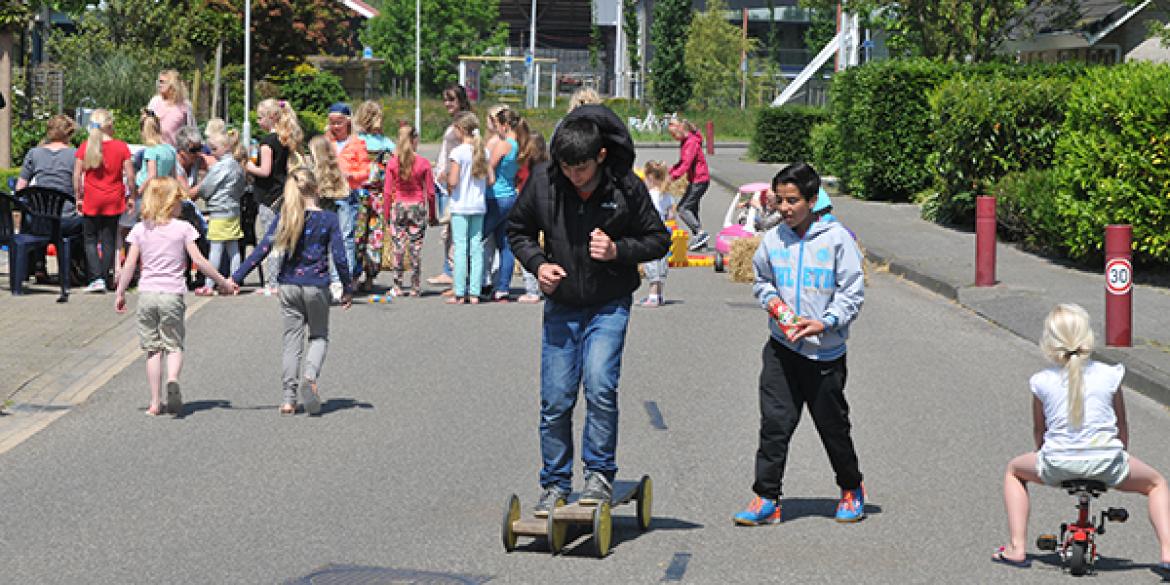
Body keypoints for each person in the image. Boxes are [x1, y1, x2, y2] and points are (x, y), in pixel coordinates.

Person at [507, 104, 670, 514]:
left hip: (608, 303)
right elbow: (518, 230)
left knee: (599, 386)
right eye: (565, 167)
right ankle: (556, 484)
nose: (572, 176)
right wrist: (538, 265)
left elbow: (658, 239)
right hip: (562, 305)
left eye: (580, 168)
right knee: (556, 399)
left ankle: (598, 476)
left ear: (599, 157)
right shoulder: (545, 182)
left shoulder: (625, 188)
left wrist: (618, 250)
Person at [734, 162, 866, 526]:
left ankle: (852, 488)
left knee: (833, 427)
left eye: (793, 201)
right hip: (782, 348)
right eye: (780, 201)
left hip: (825, 353)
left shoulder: (838, 240)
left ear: (811, 199)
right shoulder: (774, 239)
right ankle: (766, 497)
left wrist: (825, 321)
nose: (785, 208)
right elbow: (761, 280)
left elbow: (852, 293)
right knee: (775, 424)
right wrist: (774, 305)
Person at [994, 303, 1170, 570]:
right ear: (1088, 337)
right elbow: (1121, 425)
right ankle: (1168, 552)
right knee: (1156, 483)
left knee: (1013, 471)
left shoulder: (1041, 380)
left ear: (1049, 342)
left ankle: (1017, 547)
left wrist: (1046, 455)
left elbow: (1040, 431)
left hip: (1056, 462)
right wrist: (1118, 457)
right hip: (1107, 462)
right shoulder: (1110, 375)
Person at [230, 168, 353, 416]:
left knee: (291, 342)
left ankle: (288, 399)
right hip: (316, 286)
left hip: (287, 286)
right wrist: (347, 288)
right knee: (318, 336)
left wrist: (236, 278)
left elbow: (262, 250)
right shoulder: (328, 219)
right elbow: (340, 257)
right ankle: (310, 376)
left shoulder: (285, 216)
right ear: (317, 190)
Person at [113, 177, 235, 417]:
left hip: (147, 294)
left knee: (152, 349)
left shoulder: (140, 229)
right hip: (172, 294)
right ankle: (172, 378)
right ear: (171, 203)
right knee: (174, 345)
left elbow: (129, 265)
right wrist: (223, 281)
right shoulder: (183, 229)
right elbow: (199, 261)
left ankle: (155, 402)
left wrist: (120, 292)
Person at [245, 99, 302, 296]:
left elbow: (265, 170)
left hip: (267, 196)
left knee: (268, 239)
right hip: (282, 193)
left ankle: (272, 282)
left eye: (260, 117)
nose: (258, 121)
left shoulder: (267, 142)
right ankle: (282, 277)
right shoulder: (284, 139)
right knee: (282, 238)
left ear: (271, 118)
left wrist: (247, 166)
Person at [73, 109, 134, 293]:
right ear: (110, 125)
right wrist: (132, 195)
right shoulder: (121, 147)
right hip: (113, 198)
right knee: (108, 239)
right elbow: (130, 175)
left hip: (92, 198)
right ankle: (105, 277)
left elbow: (76, 176)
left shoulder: (86, 146)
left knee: (90, 239)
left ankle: (95, 277)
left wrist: (78, 197)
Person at [17, 114, 83, 284]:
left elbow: (20, 188)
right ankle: (72, 267)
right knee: (86, 225)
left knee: (35, 216)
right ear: (68, 134)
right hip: (66, 221)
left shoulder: (34, 153)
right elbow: (81, 187)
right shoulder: (75, 155)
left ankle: (39, 265)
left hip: (40, 222)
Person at [426, 84, 473, 289]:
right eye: (445, 99)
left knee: (453, 229)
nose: (447, 104)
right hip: (443, 181)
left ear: (461, 101)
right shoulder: (455, 122)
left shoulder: (465, 123)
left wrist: (452, 173)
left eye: (451, 100)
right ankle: (449, 269)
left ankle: (454, 271)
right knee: (448, 229)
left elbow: (469, 150)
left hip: (453, 183)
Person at [195, 129, 246, 296]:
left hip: (219, 211)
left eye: (214, 149)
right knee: (233, 249)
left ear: (225, 148)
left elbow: (206, 187)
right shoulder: (237, 166)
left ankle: (210, 284)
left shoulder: (220, 167)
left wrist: (203, 193)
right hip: (233, 210)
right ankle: (235, 280)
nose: (213, 153)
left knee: (215, 250)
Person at [384, 123, 433, 297]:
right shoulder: (423, 163)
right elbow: (431, 193)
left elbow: (388, 192)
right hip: (417, 207)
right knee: (415, 248)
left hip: (399, 206)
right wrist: (432, 214)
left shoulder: (393, 163)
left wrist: (386, 214)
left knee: (398, 247)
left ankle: (397, 285)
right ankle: (415, 286)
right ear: (415, 140)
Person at [445, 111, 489, 305]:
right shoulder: (483, 151)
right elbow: (491, 178)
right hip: (478, 205)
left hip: (461, 205)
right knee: (477, 248)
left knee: (461, 247)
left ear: (460, 129)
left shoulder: (458, 152)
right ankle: (475, 292)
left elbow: (453, 180)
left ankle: (459, 291)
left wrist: (447, 184)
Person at [324, 102, 370, 285]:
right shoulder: (327, 141)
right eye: (332, 123)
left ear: (347, 122)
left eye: (339, 123)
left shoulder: (357, 143)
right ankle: (330, 276)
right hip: (328, 194)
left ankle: (345, 278)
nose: (335, 127)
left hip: (348, 193)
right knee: (327, 238)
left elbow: (366, 172)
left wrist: (352, 175)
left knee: (345, 236)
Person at [483, 108, 526, 302]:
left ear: (505, 125)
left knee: (477, 236)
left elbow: (489, 167)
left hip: (496, 196)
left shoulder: (504, 144)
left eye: (499, 126)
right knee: (506, 244)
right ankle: (503, 288)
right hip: (510, 194)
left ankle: (470, 283)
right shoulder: (519, 145)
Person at [353, 100, 394, 292]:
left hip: (358, 193)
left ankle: (353, 275)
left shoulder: (355, 142)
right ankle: (370, 277)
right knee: (375, 236)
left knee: (356, 235)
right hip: (379, 195)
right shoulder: (387, 144)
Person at [514, 130, 548, 304]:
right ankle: (547, 284)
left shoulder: (524, 166)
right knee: (547, 248)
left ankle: (532, 289)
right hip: (546, 207)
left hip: (528, 208)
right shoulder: (548, 165)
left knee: (528, 247)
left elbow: (518, 183)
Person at [667, 116, 711, 251]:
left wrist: (671, 178)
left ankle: (700, 233)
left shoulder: (691, 143)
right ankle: (701, 242)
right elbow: (681, 163)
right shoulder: (687, 141)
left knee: (683, 209)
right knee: (692, 209)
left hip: (700, 180)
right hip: (696, 180)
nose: (674, 138)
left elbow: (686, 164)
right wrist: (667, 172)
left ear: (681, 129)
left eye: (674, 135)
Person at [638, 161, 674, 308]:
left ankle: (653, 296)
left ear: (650, 177)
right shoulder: (666, 195)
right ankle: (659, 295)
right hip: (665, 231)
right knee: (661, 264)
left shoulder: (650, 195)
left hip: (652, 231)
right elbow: (671, 215)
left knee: (651, 264)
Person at [147, 70, 195, 147]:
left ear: (172, 84)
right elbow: (145, 126)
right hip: (155, 150)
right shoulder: (155, 101)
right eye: (158, 82)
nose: (159, 84)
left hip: (175, 152)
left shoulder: (185, 105)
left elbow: (192, 131)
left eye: (162, 82)